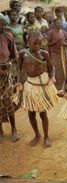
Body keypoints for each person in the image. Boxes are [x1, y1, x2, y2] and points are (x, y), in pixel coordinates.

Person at [16, 29, 58, 148]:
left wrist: (52, 76)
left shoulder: (44, 53)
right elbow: (19, 69)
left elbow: (52, 67)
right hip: (30, 85)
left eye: (40, 43)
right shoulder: (22, 53)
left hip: (41, 84)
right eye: (35, 43)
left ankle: (46, 136)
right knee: (31, 113)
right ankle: (37, 135)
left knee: (43, 113)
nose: (38, 46)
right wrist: (19, 81)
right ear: (28, 41)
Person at [0, 15, 20, 143]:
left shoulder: (8, 37)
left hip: (7, 76)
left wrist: (10, 66)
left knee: (9, 102)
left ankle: (14, 129)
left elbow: (14, 56)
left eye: (3, 24)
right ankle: (0, 132)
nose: (1, 27)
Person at [48, 18, 67, 90]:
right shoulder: (51, 32)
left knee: (66, 67)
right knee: (57, 69)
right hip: (55, 53)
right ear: (54, 24)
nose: (60, 24)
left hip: (64, 52)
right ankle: (58, 87)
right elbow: (48, 43)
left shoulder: (64, 32)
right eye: (58, 23)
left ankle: (66, 86)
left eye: (61, 23)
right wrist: (56, 42)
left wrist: (64, 43)